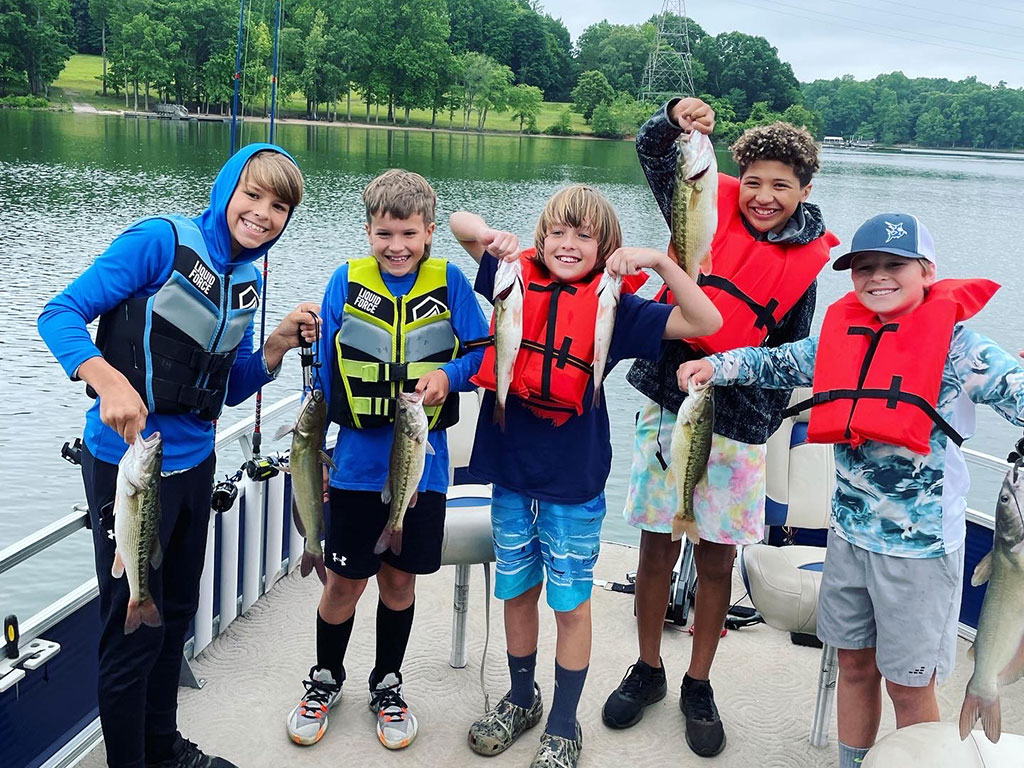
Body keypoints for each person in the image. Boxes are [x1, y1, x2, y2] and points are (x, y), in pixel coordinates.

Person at [677, 212, 1024, 768]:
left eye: (894, 265)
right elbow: (775, 362)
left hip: (921, 554)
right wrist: (712, 366)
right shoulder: (842, 334)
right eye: (864, 267)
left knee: (908, 688)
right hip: (848, 539)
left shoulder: (964, 349)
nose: (878, 277)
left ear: (927, 271)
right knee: (855, 667)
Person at [38, 143, 317, 768]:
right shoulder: (159, 242)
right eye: (253, 195)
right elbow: (59, 313)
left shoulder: (249, 278)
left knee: (174, 617)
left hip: (195, 465)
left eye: (279, 207)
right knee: (128, 634)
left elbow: (221, 384)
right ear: (226, 189)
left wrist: (271, 348)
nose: (263, 214)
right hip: (129, 466)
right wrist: (105, 380)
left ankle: (162, 749)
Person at [448, 184, 722, 768]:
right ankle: (521, 698)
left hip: (574, 480)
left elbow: (707, 318)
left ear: (606, 250)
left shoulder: (619, 307)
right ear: (541, 237)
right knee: (516, 591)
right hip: (510, 470)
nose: (568, 245)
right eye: (558, 233)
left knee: (570, 603)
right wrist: (491, 237)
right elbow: (456, 221)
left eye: (584, 236)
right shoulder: (509, 278)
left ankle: (564, 722)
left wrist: (659, 260)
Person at [603, 97, 839, 757]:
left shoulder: (805, 271)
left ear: (804, 191)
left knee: (715, 560)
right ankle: (647, 667)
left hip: (737, 423)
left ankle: (697, 682)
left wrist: (732, 382)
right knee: (654, 547)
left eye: (780, 187)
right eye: (755, 182)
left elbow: (787, 357)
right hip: (664, 404)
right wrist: (675, 115)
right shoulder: (699, 197)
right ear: (737, 174)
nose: (763, 197)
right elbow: (653, 151)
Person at [284, 169, 488, 750]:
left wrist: (448, 376)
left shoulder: (450, 281)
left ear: (428, 231)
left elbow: (481, 353)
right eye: (383, 233)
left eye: (408, 233)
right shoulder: (343, 281)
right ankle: (325, 679)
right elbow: (323, 372)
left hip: (423, 470)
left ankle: (388, 683)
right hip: (352, 467)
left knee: (399, 584)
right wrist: (316, 449)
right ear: (368, 231)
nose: (396, 246)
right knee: (344, 583)